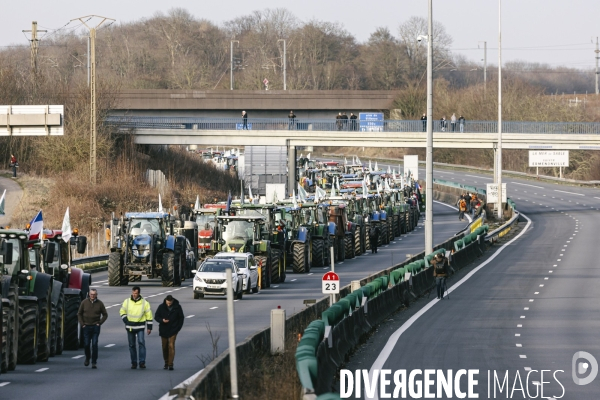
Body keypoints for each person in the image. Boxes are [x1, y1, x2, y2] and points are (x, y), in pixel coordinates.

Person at [120, 286, 153, 369]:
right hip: (130, 326)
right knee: (132, 345)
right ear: (132, 292)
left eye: (136, 293)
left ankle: (142, 362)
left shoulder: (144, 302)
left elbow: (149, 315)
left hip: (140, 326)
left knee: (141, 343)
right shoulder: (127, 301)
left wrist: (149, 327)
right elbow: (122, 311)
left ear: (139, 293)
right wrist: (126, 320)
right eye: (133, 293)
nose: (134, 295)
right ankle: (134, 362)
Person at [77, 288, 108, 369]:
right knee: (86, 344)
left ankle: (94, 362)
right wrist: (82, 324)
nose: (93, 296)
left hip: (95, 327)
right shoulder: (84, 302)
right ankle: (87, 357)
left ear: (96, 295)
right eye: (91, 294)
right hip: (86, 326)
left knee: (94, 344)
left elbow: (105, 315)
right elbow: (79, 313)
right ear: (89, 295)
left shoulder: (100, 303)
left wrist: (99, 323)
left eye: (94, 294)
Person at [154, 295, 184, 370]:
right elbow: (156, 316)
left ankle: (170, 364)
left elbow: (181, 317)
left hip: (173, 329)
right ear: (166, 301)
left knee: (171, 345)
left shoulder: (177, 307)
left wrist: (178, 328)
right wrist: (162, 320)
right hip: (163, 329)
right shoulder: (161, 307)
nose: (169, 304)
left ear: (172, 301)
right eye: (168, 302)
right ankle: (166, 362)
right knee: (164, 346)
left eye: (170, 303)